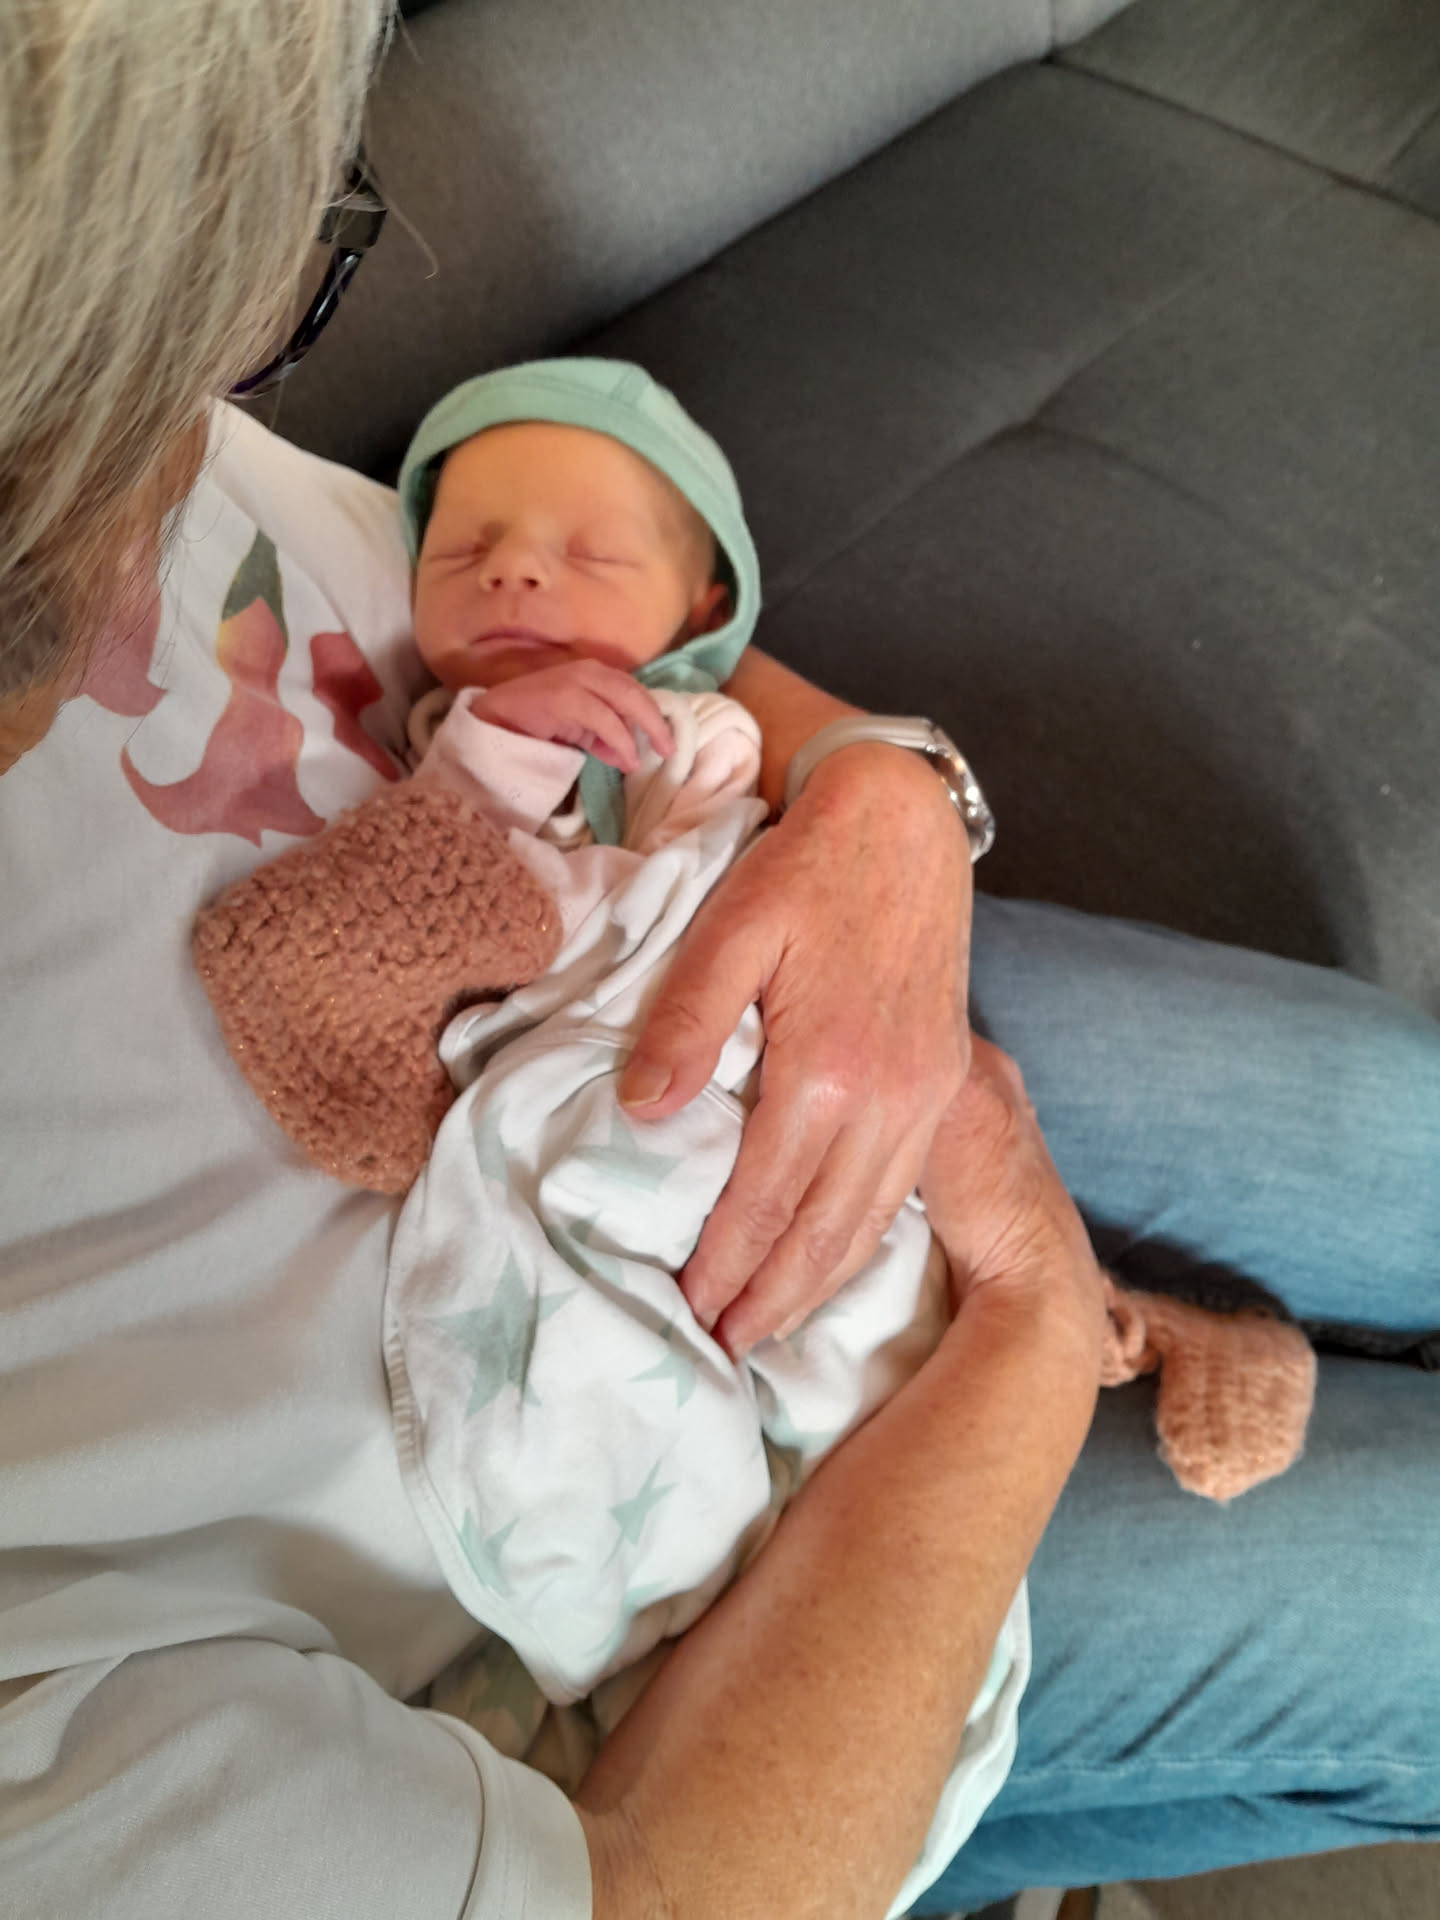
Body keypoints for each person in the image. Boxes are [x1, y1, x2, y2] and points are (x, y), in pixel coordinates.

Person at [2, 8, 1438, 1920]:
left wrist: (882, 800)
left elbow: (574, 612)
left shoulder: (106, 354)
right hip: (653, 1528)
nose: (181, 481)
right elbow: (673, 1895)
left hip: (726, 946)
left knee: (1401, 1128)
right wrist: (1026, 1330)